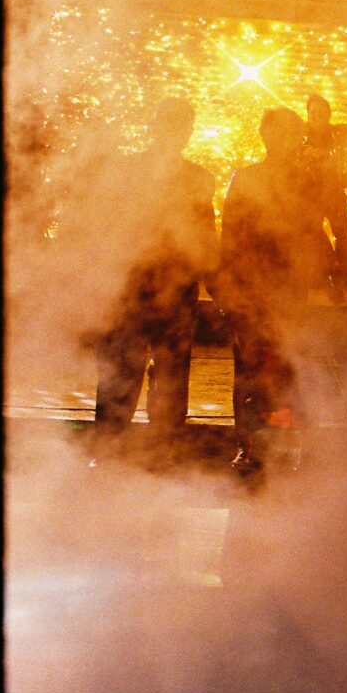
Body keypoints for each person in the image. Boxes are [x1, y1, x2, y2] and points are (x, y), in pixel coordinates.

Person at [91, 96, 217, 454]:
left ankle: (159, 449)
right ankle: (110, 448)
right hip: (133, 286)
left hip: (172, 287)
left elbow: (204, 233)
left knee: (169, 374)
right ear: (156, 127)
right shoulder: (129, 171)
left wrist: (215, 280)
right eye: (172, 124)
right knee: (122, 370)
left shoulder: (198, 178)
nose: (178, 133)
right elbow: (108, 227)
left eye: (183, 126)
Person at [217, 106, 315, 475]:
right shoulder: (245, 178)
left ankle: (286, 446)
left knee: (286, 368)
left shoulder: (306, 181)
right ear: (265, 135)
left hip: (288, 291)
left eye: (292, 133)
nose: (285, 140)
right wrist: (230, 283)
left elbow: (310, 232)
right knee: (249, 369)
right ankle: (248, 446)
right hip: (251, 289)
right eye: (277, 132)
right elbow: (230, 234)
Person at [302, 93, 347, 298]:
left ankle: (343, 280)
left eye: (321, 112)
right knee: (312, 232)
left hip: (334, 191)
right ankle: (329, 273)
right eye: (312, 112)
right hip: (310, 194)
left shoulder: (340, 131)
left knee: (343, 235)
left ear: (329, 114)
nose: (316, 116)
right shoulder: (300, 134)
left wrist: (330, 154)